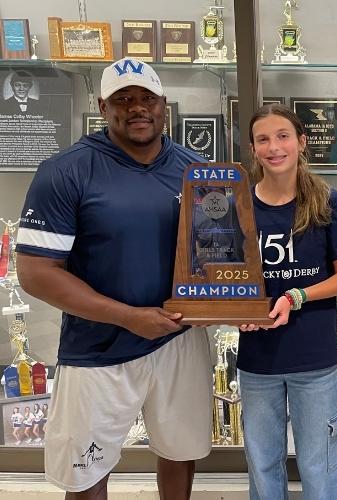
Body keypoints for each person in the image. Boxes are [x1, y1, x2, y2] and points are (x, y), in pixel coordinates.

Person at [15, 57, 212, 499]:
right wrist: (127, 316)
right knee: (85, 470)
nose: (137, 108)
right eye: (123, 100)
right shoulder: (65, 170)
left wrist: (219, 301)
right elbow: (35, 274)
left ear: (165, 106)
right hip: (97, 347)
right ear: (103, 106)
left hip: (177, 339)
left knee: (180, 452)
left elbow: (217, 256)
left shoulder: (196, 170)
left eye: (147, 98)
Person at [237, 103, 337, 500]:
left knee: (320, 464)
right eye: (263, 139)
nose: (274, 147)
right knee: (263, 463)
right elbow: (224, 278)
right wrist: (236, 312)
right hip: (257, 360)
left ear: (302, 142)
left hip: (313, 360)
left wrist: (295, 295)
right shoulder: (238, 207)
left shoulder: (326, 202)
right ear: (252, 149)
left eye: (283, 136)